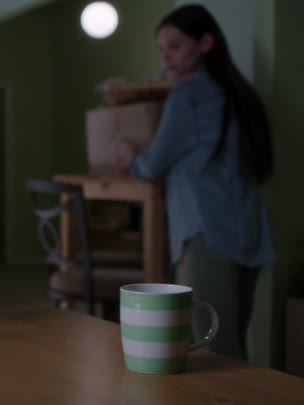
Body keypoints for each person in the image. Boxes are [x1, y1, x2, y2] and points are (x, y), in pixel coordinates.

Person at [118, 5, 274, 360]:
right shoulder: (239, 93)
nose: (166, 57)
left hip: (207, 232)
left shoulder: (187, 96)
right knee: (233, 340)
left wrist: (130, 155)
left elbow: (153, 163)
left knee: (210, 345)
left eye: (175, 46)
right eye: (162, 49)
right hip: (249, 228)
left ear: (205, 43)